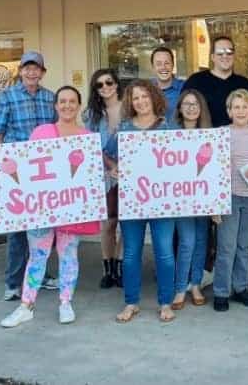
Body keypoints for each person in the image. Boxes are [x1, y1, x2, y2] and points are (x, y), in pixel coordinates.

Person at [0, 86, 101, 327]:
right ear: (55, 106)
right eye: (62, 101)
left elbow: (90, 176)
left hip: (71, 207)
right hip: (42, 209)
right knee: (37, 256)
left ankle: (65, 302)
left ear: (79, 106)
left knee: (68, 256)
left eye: (72, 101)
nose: (67, 105)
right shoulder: (42, 132)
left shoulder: (86, 136)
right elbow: (27, 166)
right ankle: (26, 305)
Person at [105, 80, 177, 323]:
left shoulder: (168, 128)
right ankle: (131, 302)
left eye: (145, 96)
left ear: (154, 97)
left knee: (165, 253)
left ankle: (166, 302)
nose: (141, 101)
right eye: (135, 98)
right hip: (132, 201)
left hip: (163, 201)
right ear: (130, 103)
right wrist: (114, 168)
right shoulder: (124, 129)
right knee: (131, 254)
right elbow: (105, 152)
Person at [0, 51, 57, 302]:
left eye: (36, 68)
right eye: (27, 68)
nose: (32, 72)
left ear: (42, 72)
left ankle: (40, 275)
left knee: (45, 227)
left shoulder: (50, 98)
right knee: (18, 232)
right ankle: (13, 282)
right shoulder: (6, 97)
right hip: (16, 172)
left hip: (44, 171)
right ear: (20, 71)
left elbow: (56, 132)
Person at [213, 89, 248, 311]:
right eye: (236, 107)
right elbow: (212, 168)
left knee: (244, 245)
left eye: (245, 106)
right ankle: (221, 291)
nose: (241, 111)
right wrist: (214, 204)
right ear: (229, 111)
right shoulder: (221, 133)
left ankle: (240, 288)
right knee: (226, 246)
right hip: (229, 196)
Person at [171, 90, 213, 310]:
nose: (191, 108)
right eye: (186, 104)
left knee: (201, 243)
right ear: (179, 108)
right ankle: (180, 288)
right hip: (181, 199)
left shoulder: (210, 135)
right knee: (186, 242)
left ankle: (196, 284)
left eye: (195, 104)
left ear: (201, 108)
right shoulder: (170, 134)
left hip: (204, 198)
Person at [83, 68, 124, 290]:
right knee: (108, 223)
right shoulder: (91, 115)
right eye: (100, 84)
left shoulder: (129, 109)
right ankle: (107, 269)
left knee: (127, 222)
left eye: (109, 82)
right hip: (105, 172)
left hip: (130, 172)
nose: (105, 87)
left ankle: (120, 266)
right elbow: (89, 146)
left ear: (116, 84)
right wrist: (111, 165)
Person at [183, 36, 248, 127]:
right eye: (220, 53)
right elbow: (182, 112)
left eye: (229, 52)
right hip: (204, 137)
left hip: (237, 138)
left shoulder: (244, 84)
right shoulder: (195, 81)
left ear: (234, 55)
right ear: (212, 57)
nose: (225, 56)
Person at [150, 46, 185, 123]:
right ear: (153, 67)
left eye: (167, 63)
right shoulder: (145, 89)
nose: (163, 67)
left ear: (172, 65)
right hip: (151, 134)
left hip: (179, 134)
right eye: (158, 64)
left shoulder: (185, 87)